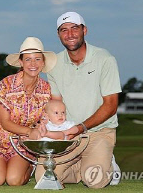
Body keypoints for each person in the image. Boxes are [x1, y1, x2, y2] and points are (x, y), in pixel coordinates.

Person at [35, 12, 122, 189]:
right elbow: (56, 104)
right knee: (44, 178)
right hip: (67, 134)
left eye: (75, 28)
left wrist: (80, 128)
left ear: (85, 30)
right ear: (59, 35)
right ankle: (82, 164)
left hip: (99, 133)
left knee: (95, 181)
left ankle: (108, 164)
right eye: (64, 30)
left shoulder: (105, 59)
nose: (70, 34)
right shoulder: (54, 64)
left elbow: (111, 106)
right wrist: (46, 121)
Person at [0, 37, 57, 186]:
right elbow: (5, 123)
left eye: (37, 59)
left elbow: (46, 118)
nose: (33, 64)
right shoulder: (6, 84)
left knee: (14, 180)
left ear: (43, 62)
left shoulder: (47, 89)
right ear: (21, 62)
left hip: (23, 143)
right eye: (28, 59)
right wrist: (30, 131)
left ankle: (31, 165)